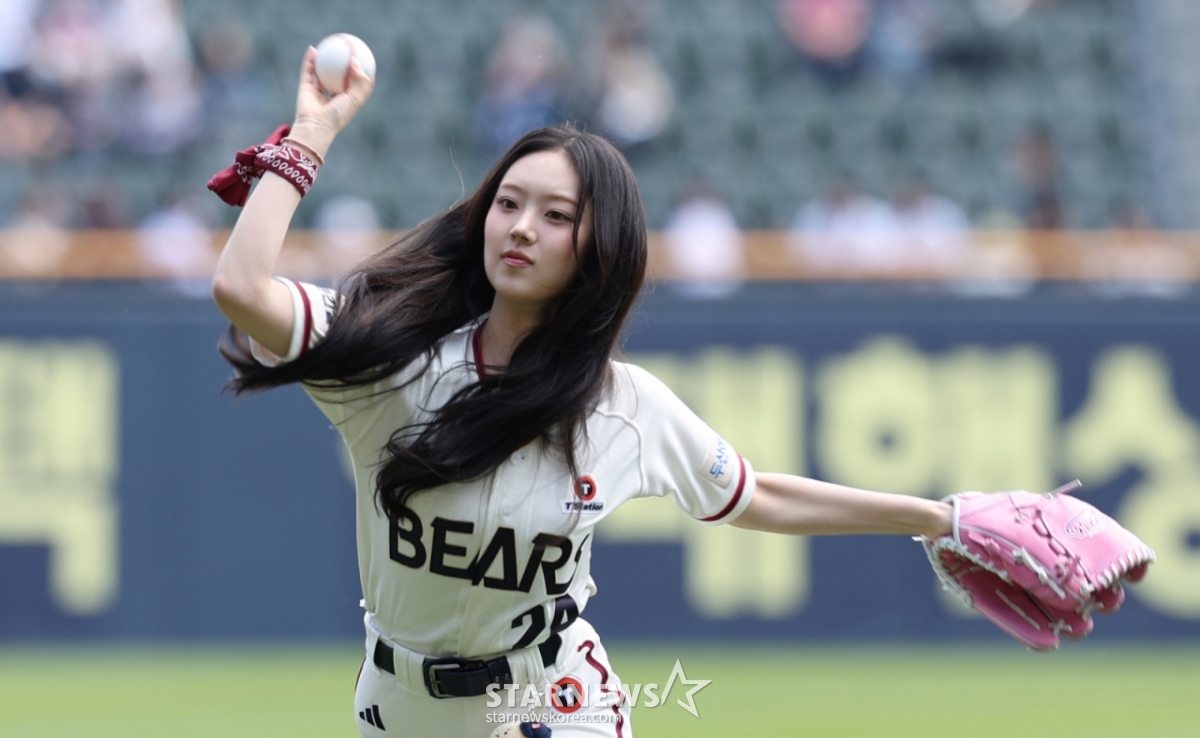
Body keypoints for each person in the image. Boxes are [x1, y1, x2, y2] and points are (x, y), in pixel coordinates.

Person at [210, 47, 953, 738]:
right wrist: (310, 135)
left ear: (601, 246)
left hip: (554, 696)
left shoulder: (624, 405)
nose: (521, 228)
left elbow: (758, 497)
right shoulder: (391, 357)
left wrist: (934, 518)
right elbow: (241, 288)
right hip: (401, 705)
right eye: (508, 203)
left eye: (556, 215)